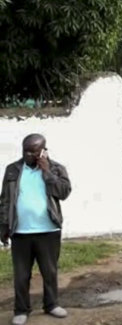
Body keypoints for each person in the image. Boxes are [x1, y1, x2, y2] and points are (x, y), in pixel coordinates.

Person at [0, 134, 71, 325]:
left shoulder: (56, 168)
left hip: (48, 230)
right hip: (21, 232)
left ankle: (51, 304)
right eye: (25, 150)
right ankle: (21, 309)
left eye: (32, 151)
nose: (28, 154)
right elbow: (5, 200)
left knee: (50, 271)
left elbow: (64, 192)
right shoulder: (13, 170)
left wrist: (47, 172)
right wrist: (4, 227)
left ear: (43, 151)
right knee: (21, 275)